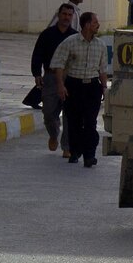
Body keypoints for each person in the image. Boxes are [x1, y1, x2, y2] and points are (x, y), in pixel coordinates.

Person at [51, 12, 107, 168]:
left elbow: (102, 70)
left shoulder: (100, 45)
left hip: (92, 88)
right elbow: (59, 64)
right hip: (74, 86)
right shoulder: (70, 42)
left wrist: (104, 89)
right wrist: (61, 86)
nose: (98, 25)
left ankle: (89, 155)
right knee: (74, 122)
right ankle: (75, 151)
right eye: (95, 22)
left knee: (90, 123)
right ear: (87, 25)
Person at [32, 3, 78, 156]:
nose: (66, 18)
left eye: (69, 15)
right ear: (59, 15)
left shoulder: (75, 37)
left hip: (70, 77)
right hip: (51, 77)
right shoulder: (47, 34)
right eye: (64, 14)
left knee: (69, 114)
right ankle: (53, 134)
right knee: (49, 112)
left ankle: (67, 147)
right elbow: (37, 54)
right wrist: (37, 74)